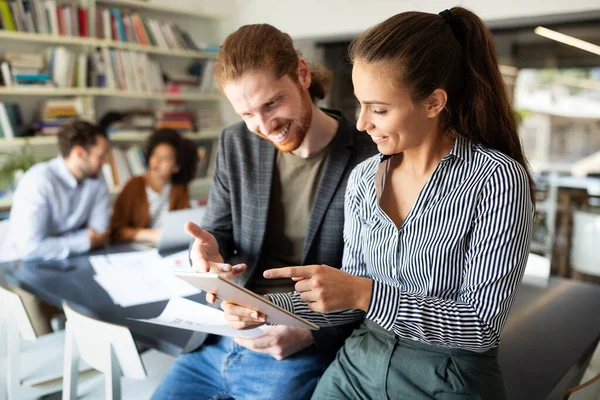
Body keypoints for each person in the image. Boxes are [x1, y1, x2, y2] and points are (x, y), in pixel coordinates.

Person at [222, 8, 535, 399]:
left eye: (380, 109)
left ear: (434, 103)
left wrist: (366, 293)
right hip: (359, 364)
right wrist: (264, 306)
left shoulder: (496, 179)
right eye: (360, 104)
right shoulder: (364, 179)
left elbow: (482, 327)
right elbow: (347, 303)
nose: (361, 123)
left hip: (449, 374)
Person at [151, 24, 377, 400]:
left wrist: (311, 331)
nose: (265, 126)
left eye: (272, 103)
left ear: (303, 74)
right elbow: (218, 232)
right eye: (248, 114)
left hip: (300, 341)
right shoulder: (235, 143)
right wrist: (206, 255)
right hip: (226, 331)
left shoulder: (370, 154)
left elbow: (380, 278)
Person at [0, 120, 110, 335]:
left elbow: (101, 233)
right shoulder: (39, 181)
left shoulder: (96, 179)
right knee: (41, 336)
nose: (105, 162)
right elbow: (30, 248)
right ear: (79, 153)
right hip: (19, 267)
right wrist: (85, 239)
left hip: (67, 263)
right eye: (101, 155)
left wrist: (65, 242)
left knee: (104, 303)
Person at [110, 128, 198, 245]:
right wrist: (149, 235)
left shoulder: (179, 188)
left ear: (176, 167)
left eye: (165, 158)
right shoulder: (134, 185)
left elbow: (183, 224)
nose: (157, 161)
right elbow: (116, 231)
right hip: (137, 249)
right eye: (154, 155)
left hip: (168, 246)